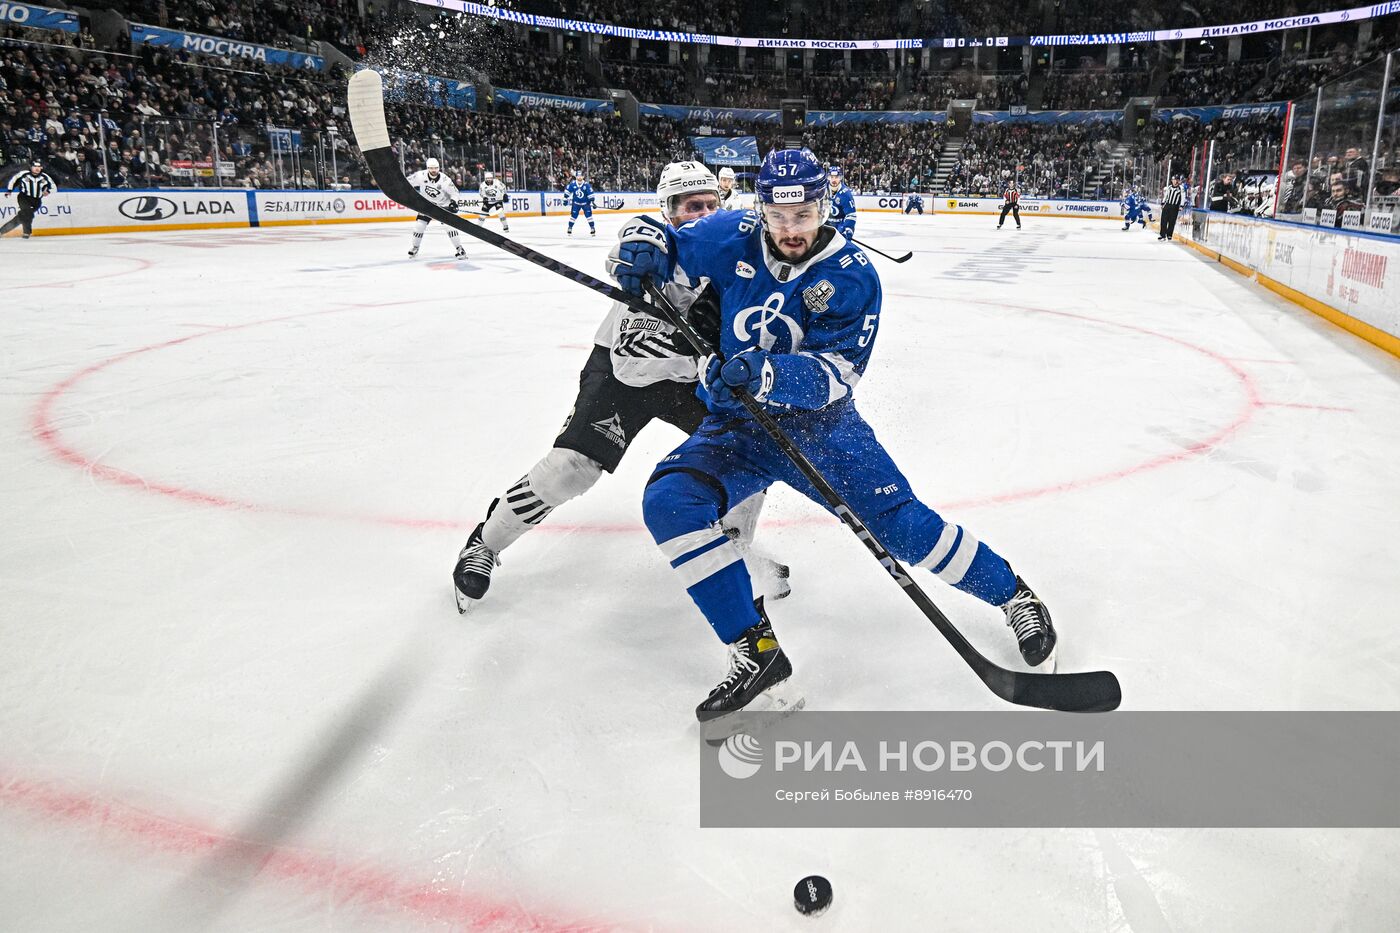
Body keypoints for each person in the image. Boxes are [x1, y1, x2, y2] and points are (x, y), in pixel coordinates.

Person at [607, 148, 1056, 723]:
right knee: (671, 501)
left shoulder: (852, 276)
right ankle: (757, 651)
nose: (791, 230)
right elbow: (663, 239)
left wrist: (764, 373)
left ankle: (1014, 596)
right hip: (738, 427)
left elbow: (840, 374)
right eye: (779, 216)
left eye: (804, 215)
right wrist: (636, 243)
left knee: (905, 528)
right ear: (760, 208)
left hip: (821, 431)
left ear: (826, 206)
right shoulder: (733, 232)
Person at [452, 161, 787, 613]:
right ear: (669, 211)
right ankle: (485, 544)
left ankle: (735, 556)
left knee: (746, 460)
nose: (703, 215)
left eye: (710, 204)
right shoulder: (654, 243)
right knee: (572, 468)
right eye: (691, 207)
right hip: (623, 373)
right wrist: (643, 261)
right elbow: (634, 242)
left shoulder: (738, 256)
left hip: (696, 383)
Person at [406, 158, 465, 259]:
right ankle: (415, 248)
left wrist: (454, 202)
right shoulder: (420, 176)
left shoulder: (445, 179)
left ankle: (460, 249)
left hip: (443, 206)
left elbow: (454, 193)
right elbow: (406, 182)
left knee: (449, 227)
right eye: (431, 168)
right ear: (428, 168)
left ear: (439, 168)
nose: (434, 170)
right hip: (427, 205)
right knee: (419, 226)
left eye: (436, 168)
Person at [2, 160, 57, 239]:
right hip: (24, 197)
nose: (37, 168)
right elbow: (13, 180)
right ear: (31, 167)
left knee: (22, 217)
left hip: (37, 201)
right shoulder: (23, 174)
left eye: (39, 167)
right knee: (27, 213)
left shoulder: (45, 177)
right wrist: (9, 190)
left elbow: (54, 187)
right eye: (35, 166)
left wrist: (48, 191)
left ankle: (2, 231)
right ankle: (26, 232)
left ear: (41, 168)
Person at [826, 164, 856, 239]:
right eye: (831, 177)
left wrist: (847, 229)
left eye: (836, 177)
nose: (834, 180)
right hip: (825, 226)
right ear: (828, 177)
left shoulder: (846, 194)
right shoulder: (823, 190)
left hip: (840, 226)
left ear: (840, 178)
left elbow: (851, 214)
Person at [565, 169, 596, 236]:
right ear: (576, 177)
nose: (579, 177)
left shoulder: (586, 185)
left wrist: (592, 202)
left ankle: (592, 228)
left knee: (589, 216)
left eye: (581, 176)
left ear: (583, 177)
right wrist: (565, 198)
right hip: (576, 203)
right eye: (578, 176)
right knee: (573, 216)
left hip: (586, 204)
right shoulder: (572, 184)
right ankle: (570, 227)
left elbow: (590, 194)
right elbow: (567, 192)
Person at [1158, 176, 1185, 241]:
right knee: (1163, 220)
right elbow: (1166, 196)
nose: (1173, 181)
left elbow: (1183, 198)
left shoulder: (1181, 188)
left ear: (1177, 180)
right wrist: (1163, 203)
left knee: (1172, 221)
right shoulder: (1169, 187)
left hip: (1175, 206)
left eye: (1175, 180)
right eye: (1172, 180)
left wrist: (1181, 206)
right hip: (1167, 205)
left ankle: (1169, 235)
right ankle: (1162, 235)